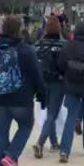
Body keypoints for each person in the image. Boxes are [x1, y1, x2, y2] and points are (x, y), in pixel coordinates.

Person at [0, 16, 46, 166]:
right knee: (26, 126)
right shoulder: (27, 50)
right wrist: (42, 95)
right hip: (21, 98)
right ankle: (11, 156)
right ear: (20, 30)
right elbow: (37, 76)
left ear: (2, 29)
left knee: (1, 130)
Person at [57, 20, 84, 162]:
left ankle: (65, 150)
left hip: (71, 85)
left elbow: (61, 64)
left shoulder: (68, 45)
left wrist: (66, 76)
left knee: (71, 117)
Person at [32, 17, 67, 158]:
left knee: (49, 113)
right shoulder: (63, 44)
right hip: (57, 82)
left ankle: (53, 142)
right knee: (52, 113)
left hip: (42, 81)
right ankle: (40, 142)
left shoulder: (38, 44)